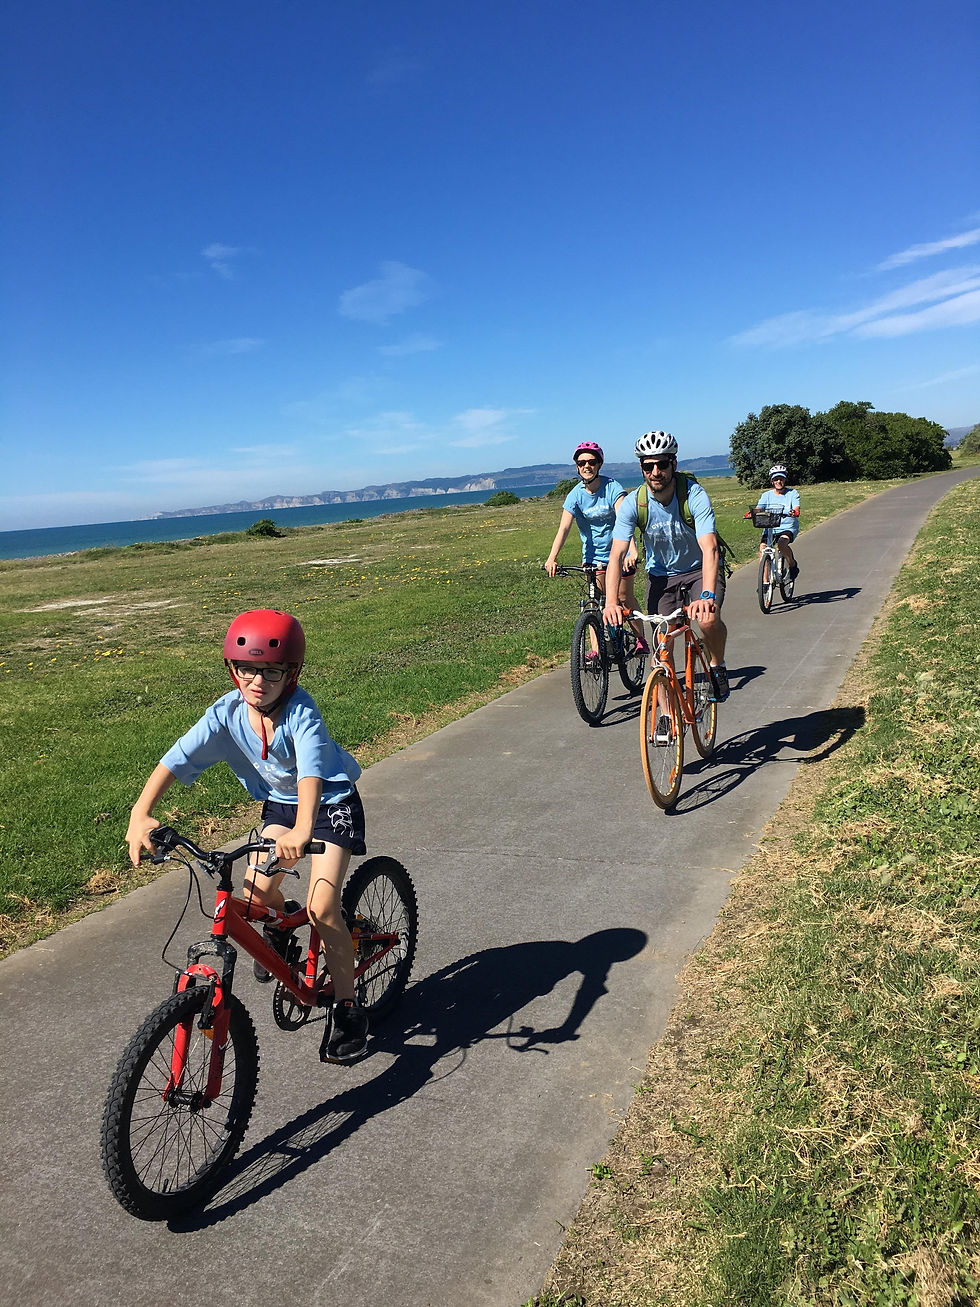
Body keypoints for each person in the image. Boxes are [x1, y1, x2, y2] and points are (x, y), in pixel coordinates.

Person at [125, 609, 369, 1065]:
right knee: (256, 894)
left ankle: (349, 1007)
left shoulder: (303, 713)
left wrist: (301, 830)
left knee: (322, 908)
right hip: (282, 803)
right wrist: (142, 812)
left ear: (291, 672)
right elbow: (177, 758)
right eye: (246, 669)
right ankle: (281, 927)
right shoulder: (227, 713)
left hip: (329, 804)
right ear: (232, 669)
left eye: (271, 671)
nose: (257, 681)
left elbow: (313, 772)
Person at [602, 430, 730, 701]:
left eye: (662, 464)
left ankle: (717, 666)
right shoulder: (634, 503)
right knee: (661, 648)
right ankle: (664, 716)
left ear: (674, 464)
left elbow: (710, 548)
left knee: (707, 620)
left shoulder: (693, 494)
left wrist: (707, 595)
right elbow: (616, 556)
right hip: (662, 578)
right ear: (642, 468)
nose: (656, 471)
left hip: (699, 571)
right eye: (648, 466)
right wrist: (611, 602)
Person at [544, 441, 646, 654]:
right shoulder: (575, 495)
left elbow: (624, 520)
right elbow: (564, 528)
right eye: (582, 463)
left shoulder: (612, 488)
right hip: (593, 557)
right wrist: (551, 558)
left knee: (623, 598)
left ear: (599, 464)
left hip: (620, 554)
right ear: (577, 467)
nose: (586, 466)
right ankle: (596, 650)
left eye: (591, 461)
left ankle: (640, 639)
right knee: (594, 603)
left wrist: (632, 550)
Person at [755, 464, 800, 579]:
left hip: (787, 527)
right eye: (775, 479)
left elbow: (796, 508)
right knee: (762, 549)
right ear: (772, 481)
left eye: (781, 479)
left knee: (781, 544)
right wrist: (753, 512)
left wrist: (794, 512)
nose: (778, 481)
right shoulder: (766, 495)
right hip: (770, 527)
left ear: (785, 479)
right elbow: (759, 507)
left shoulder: (792, 493)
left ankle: (792, 564)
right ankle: (765, 583)